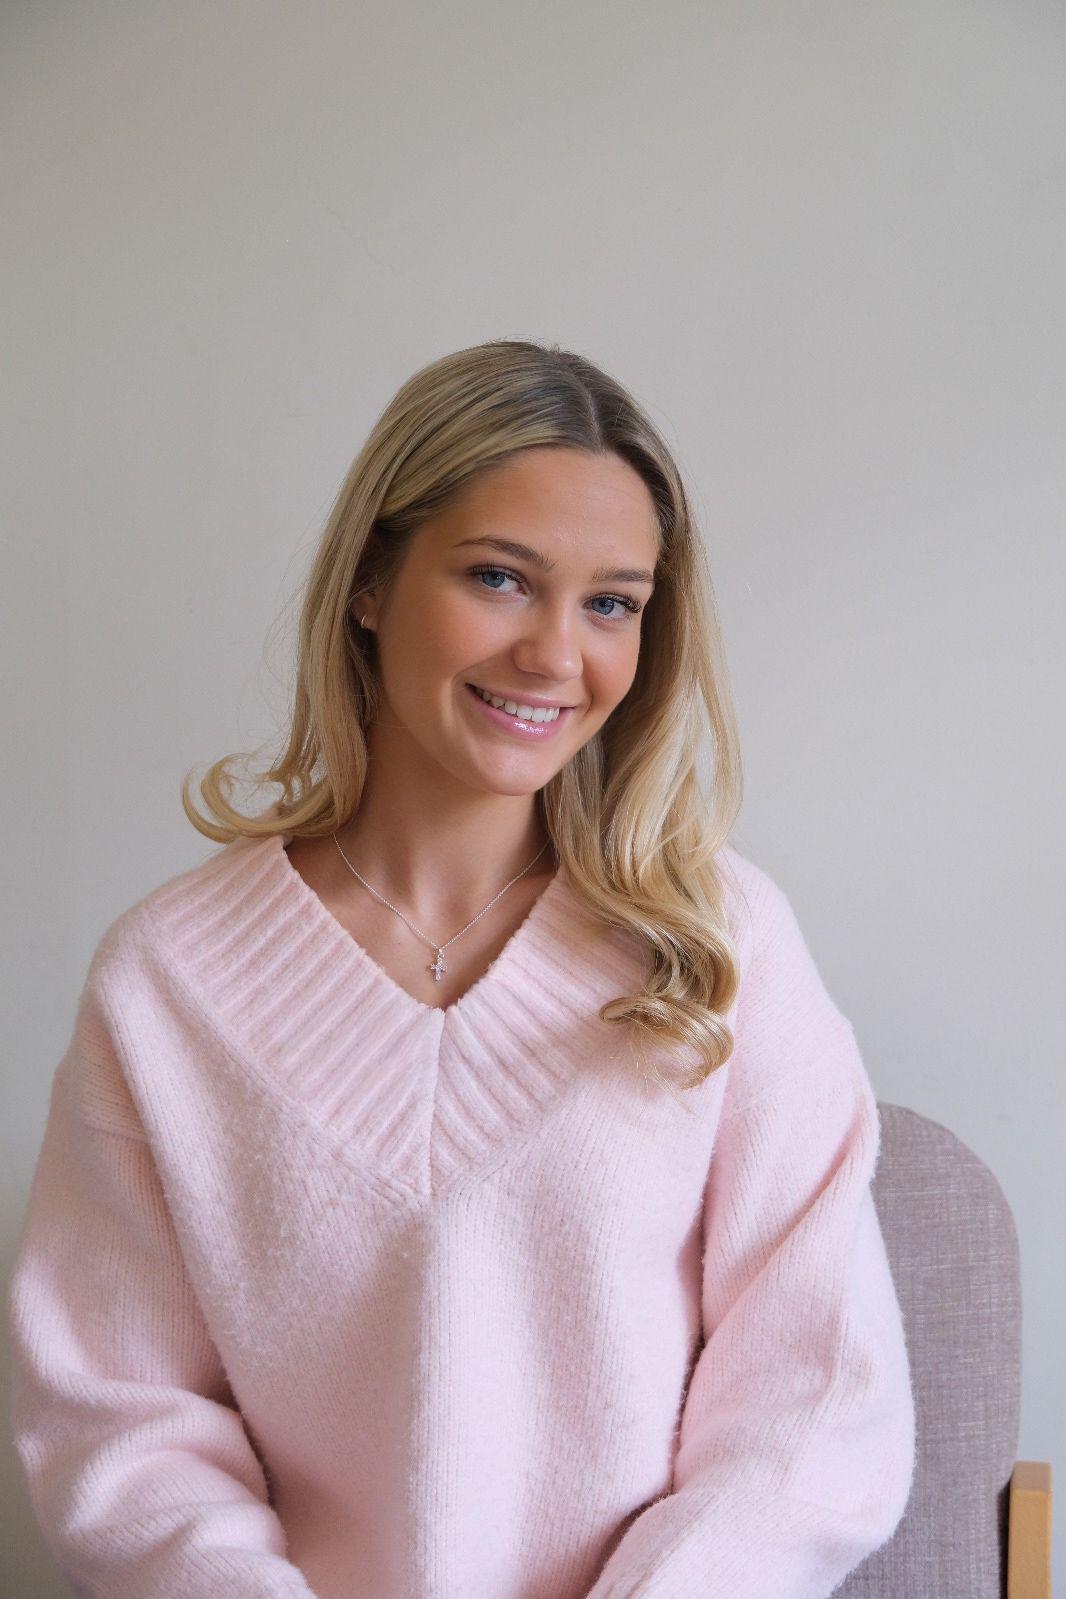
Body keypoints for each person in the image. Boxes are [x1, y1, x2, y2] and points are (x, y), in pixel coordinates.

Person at [7, 339, 916, 1598]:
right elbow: (119, 1426)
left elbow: (815, 1396)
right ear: (370, 583)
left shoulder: (721, 942)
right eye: (500, 578)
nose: (555, 654)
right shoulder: (166, 982)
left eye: (612, 603)